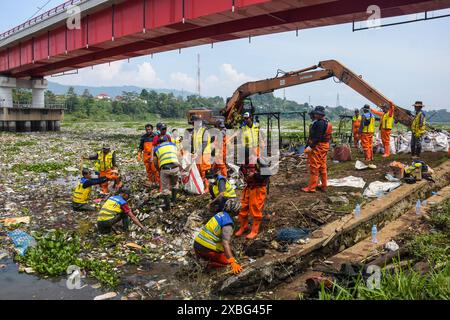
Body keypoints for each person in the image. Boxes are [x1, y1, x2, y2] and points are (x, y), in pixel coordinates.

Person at [193, 199, 243, 274]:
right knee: (227, 263)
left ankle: (204, 260)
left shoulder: (220, 214)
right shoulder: (227, 224)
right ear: (235, 211)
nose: (240, 211)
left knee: (225, 253)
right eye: (239, 209)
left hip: (197, 245)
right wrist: (232, 261)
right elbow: (225, 243)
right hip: (206, 249)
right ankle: (209, 266)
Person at [235, 157, 269, 240]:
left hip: (258, 189)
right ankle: (243, 226)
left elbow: (267, 173)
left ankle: (254, 230)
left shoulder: (258, 161)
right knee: (242, 207)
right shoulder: (243, 165)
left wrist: (255, 175)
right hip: (249, 188)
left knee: (255, 209)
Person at [302, 106, 332, 193]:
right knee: (322, 166)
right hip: (324, 146)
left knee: (314, 167)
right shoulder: (326, 122)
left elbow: (317, 137)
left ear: (319, 114)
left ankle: (311, 187)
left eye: (315, 113)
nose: (314, 115)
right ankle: (324, 185)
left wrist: (310, 146)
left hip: (318, 147)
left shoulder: (319, 123)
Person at [154, 140, 180, 210]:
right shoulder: (173, 145)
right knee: (175, 184)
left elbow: (155, 162)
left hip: (165, 169)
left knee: (165, 188)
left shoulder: (157, 148)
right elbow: (178, 155)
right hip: (175, 167)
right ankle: (174, 201)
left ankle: (167, 206)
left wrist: (159, 170)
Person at [192, 119, 212, 189]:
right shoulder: (195, 132)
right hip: (198, 154)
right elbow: (194, 143)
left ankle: (207, 187)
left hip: (205, 154)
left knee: (205, 170)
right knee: (199, 170)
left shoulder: (204, 131)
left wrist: (198, 153)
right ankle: (201, 186)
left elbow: (204, 143)